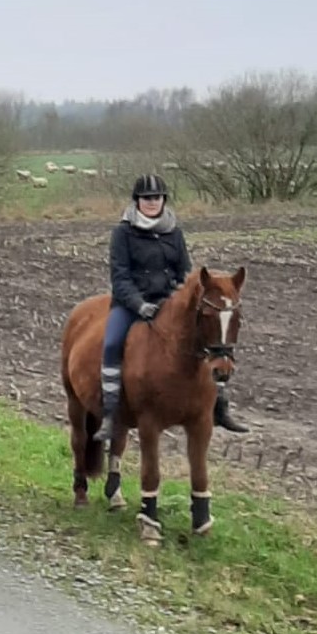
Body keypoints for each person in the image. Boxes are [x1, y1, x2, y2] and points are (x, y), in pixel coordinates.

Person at [92, 173, 247, 441]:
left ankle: (220, 405)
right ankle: (109, 413)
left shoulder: (174, 232)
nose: (152, 202)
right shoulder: (122, 233)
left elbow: (185, 272)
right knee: (112, 343)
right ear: (137, 201)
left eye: (157, 197)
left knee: (208, 337)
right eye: (146, 198)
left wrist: (182, 298)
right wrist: (139, 305)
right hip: (131, 303)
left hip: (168, 301)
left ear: (164, 200)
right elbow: (120, 277)